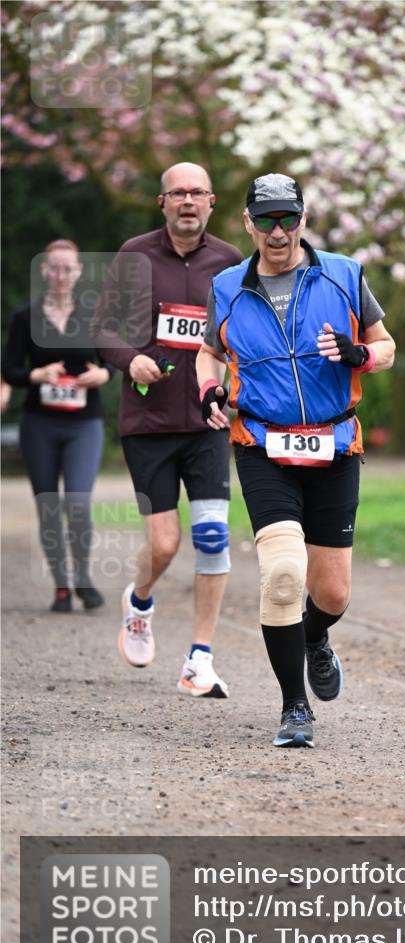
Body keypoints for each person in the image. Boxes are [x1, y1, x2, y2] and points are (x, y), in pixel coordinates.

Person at [197, 173, 396, 747]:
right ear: (248, 223)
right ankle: (294, 708)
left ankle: (314, 637)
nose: (278, 232)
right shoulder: (227, 287)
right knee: (283, 574)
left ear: (304, 219)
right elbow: (209, 354)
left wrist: (360, 355)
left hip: (334, 445)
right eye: (267, 221)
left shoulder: (344, 275)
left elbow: (386, 346)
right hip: (263, 444)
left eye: (288, 219)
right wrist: (208, 390)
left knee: (331, 594)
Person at [94, 162, 243, 697]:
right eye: (177, 193)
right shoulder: (135, 254)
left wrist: (234, 390)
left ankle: (200, 659)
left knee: (212, 537)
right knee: (164, 544)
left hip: (208, 421)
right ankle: (139, 602)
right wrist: (129, 359)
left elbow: (246, 334)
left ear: (211, 201)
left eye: (197, 192)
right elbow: (102, 328)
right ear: (162, 203)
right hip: (148, 422)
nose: (187, 201)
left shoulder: (230, 261)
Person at [2, 239, 112, 612]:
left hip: (84, 424)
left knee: (77, 503)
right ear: (44, 271)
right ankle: (61, 585)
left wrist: (103, 374)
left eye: (68, 268)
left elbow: (112, 361)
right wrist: (36, 374)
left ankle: (83, 576)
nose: (61, 275)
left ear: (78, 272)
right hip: (40, 424)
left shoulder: (94, 314)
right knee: (49, 506)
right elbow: (10, 370)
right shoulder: (25, 317)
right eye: (55, 268)